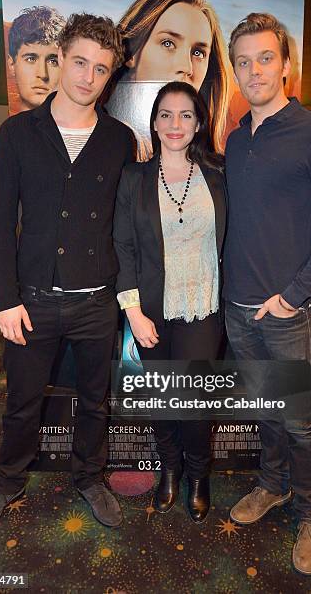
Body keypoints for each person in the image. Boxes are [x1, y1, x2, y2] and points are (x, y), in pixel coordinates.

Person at [0, 13, 135, 535]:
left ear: (110, 77)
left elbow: (126, 222)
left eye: (101, 69)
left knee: (94, 401)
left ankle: (90, 478)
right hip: (33, 300)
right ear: (61, 59)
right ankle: (7, 482)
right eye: (80, 62)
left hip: (96, 302)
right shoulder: (18, 133)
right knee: (21, 402)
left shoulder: (119, 139)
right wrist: (4, 299)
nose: (87, 76)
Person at [223, 13, 311, 574]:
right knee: (264, 410)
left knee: (299, 420)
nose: (255, 70)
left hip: (286, 312)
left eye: (265, 58)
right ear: (234, 70)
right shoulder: (233, 140)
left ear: (285, 64)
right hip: (236, 307)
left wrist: (293, 295)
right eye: (244, 62)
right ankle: (273, 485)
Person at [113, 81, 226, 523]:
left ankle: (198, 475)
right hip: (150, 311)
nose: (174, 124)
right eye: (165, 114)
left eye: (185, 115)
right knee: (162, 401)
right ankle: (170, 470)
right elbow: (122, 246)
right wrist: (133, 312)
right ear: (155, 122)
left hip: (203, 307)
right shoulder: (134, 178)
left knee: (194, 404)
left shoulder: (219, 176)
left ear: (198, 123)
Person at [109, 0, 229, 159]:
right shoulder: (112, 143)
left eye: (198, 53)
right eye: (168, 43)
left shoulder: (212, 165)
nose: (186, 67)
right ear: (131, 52)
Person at [7, 6, 66, 112]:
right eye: (31, 59)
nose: (43, 74)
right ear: (12, 64)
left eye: (53, 61)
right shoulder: (8, 128)